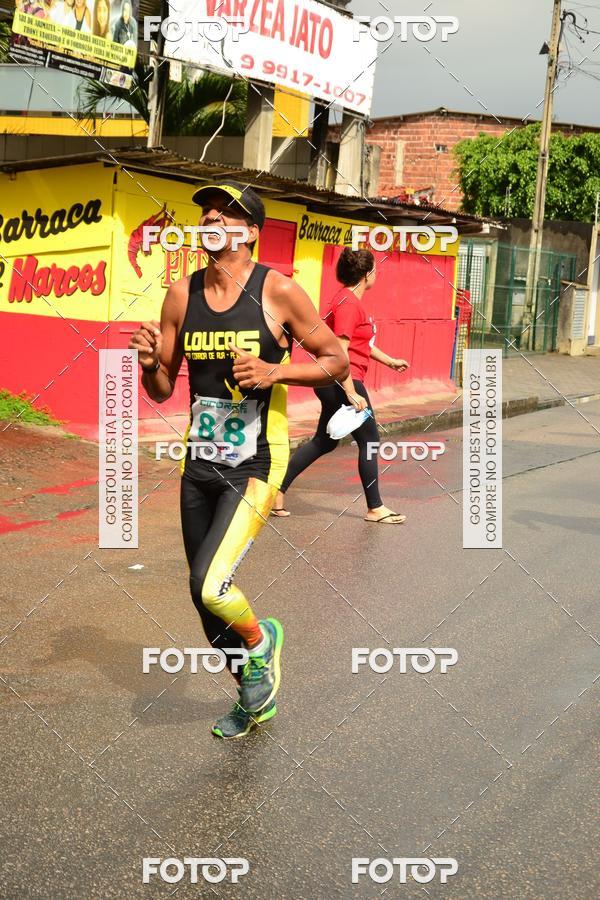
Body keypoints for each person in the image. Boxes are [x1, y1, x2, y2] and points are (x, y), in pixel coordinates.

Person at [128, 182, 347, 739]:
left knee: (210, 583)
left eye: (225, 212)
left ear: (250, 231)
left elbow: (336, 360)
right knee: (203, 602)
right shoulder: (182, 294)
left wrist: (275, 372)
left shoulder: (278, 292)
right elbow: (160, 388)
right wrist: (151, 361)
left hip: (255, 463)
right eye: (205, 210)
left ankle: (260, 641)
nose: (209, 217)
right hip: (199, 464)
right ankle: (254, 698)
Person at [273, 247, 409, 525]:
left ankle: (276, 492)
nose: (377, 275)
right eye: (375, 270)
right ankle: (375, 507)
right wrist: (350, 391)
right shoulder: (348, 303)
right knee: (369, 440)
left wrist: (390, 361)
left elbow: (361, 345)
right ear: (367, 274)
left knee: (324, 441)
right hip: (343, 381)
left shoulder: (347, 300)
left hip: (334, 380)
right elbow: (341, 352)